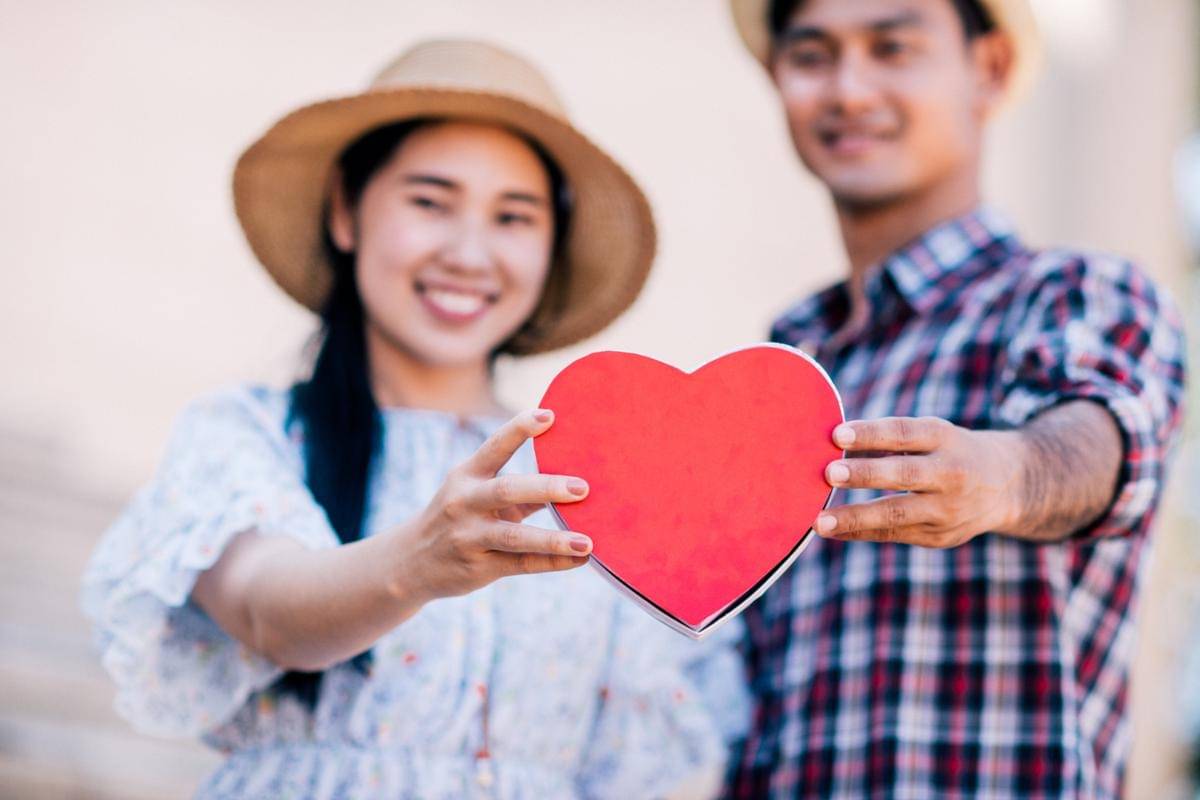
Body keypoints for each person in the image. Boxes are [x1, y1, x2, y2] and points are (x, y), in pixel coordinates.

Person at [82, 39, 746, 799]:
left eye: (514, 217)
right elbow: (269, 610)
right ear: (344, 210)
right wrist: (417, 563)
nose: (469, 253)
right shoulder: (250, 435)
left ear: (550, 246)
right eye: (430, 202)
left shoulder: (598, 473)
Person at [723, 1, 1187, 797]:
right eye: (812, 55)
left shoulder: (1076, 294)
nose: (850, 89)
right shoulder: (783, 360)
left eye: (893, 47)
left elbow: (1102, 441)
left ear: (990, 69)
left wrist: (1008, 473)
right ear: (778, 81)